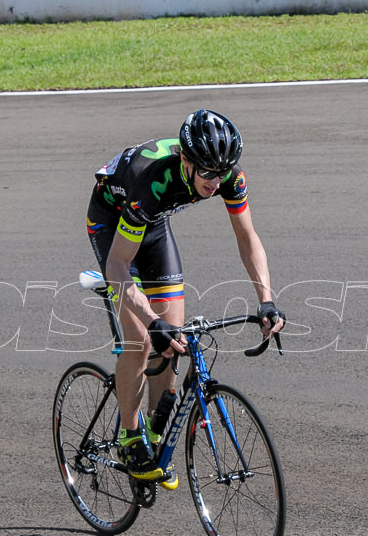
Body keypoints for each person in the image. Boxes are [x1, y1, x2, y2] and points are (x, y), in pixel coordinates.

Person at [85, 109, 285, 486]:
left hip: (153, 222)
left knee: (173, 340)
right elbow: (117, 266)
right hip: (114, 217)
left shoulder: (228, 174)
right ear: (186, 161)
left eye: (221, 172)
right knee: (143, 338)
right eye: (207, 173)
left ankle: (155, 440)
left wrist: (266, 300)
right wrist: (150, 320)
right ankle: (130, 438)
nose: (215, 180)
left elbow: (248, 238)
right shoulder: (154, 183)